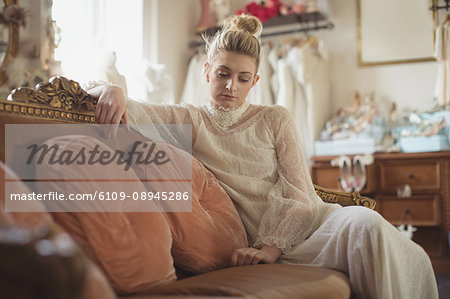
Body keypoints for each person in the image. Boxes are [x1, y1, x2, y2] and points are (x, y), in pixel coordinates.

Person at [87, 14, 438, 299]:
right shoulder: (189, 119)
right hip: (257, 245)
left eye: (242, 79)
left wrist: (271, 248)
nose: (230, 87)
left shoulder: (275, 118)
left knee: (368, 225)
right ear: (207, 71)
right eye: (223, 75)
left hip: (311, 230)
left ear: (254, 82)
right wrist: (110, 88)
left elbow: (300, 194)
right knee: (370, 229)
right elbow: (130, 109)